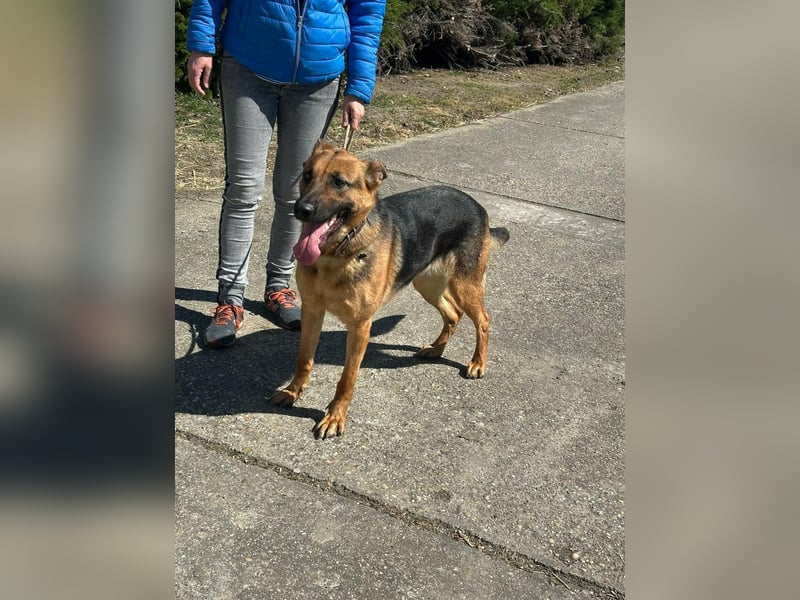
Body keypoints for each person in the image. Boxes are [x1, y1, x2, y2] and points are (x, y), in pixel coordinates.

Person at [186, 0, 386, 347]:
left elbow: (367, 13)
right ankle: (230, 299)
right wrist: (202, 44)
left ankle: (279, 287)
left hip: (318, 77)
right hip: (249, 64)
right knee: (244, 189)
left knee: (300, 195)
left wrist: (359, 84)